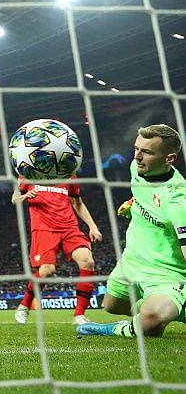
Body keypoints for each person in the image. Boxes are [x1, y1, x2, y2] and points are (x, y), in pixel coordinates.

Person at [77, 124, 186, 337]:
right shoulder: (136, 169)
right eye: (136, 149)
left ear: (169, 159)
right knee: (111, 306)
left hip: (167, 273)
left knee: (152, 317)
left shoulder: (179, 200)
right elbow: (149, 197)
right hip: (133, 261)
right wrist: (134, 204)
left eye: (147, 152)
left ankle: (150, 317)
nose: (137, 156)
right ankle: (158, 313)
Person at [11, 172, 102, 325]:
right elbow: (14, 199)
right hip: (43, 228)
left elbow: (77, 203)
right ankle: (24, 306)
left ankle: (79, 315)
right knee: (47, 270)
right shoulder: (29, 171)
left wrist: (92, 226)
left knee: (87, 261)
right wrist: (26, 196)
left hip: (69, 227)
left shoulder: (68, 172)